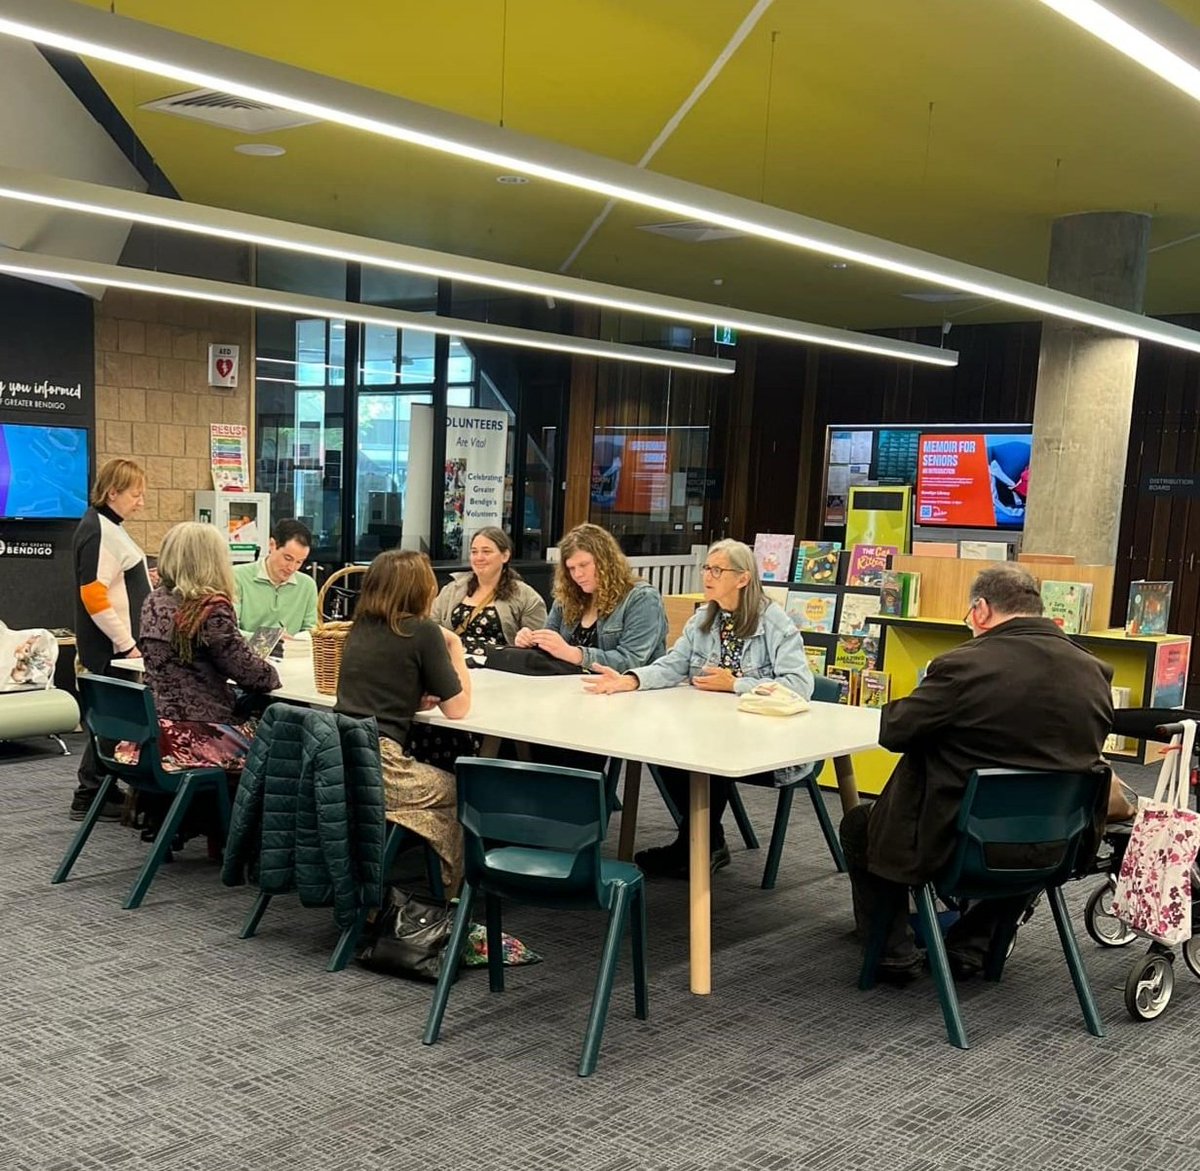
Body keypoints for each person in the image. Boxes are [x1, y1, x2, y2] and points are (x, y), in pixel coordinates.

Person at [838, 564, 1113, 984]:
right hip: (1055, 845)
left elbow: (895, 731)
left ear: (981, 609)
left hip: (959, 846)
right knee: (1026, 825)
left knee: (860, 824)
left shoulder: (963, 665)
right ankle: (972, 943)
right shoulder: (1094, 671)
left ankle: (893, 954)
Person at [586, 538, 813, 877]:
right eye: (706, 568)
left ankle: (699, 844)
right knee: (661, 747)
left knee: (704, 754)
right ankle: (702, 841)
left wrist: (735, 684)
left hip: (767, 745)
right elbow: (673, 665)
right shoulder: (703, 620)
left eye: (717, 570)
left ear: (743, 578)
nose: (707, 576)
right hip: (710, 730)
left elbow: (798, 685)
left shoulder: (774, 622)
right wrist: (631, 679)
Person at [334, 550, 471, 889]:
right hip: (383, 769)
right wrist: (455, 647)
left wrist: (412, 694)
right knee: (465, 790)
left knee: (436, 802)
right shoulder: (423, 631)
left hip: (339, 763)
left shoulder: (359, 628)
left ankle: (432, 883)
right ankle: (451, 891)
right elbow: (458, 708)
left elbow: (380, 685)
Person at [133, 522, 280, 775]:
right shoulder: (209, 610)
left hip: (153, 729)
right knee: (287, 730)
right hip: (200, 734)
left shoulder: (154, 601)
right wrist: (272, 673)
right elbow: (254, 676)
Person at [70, 457, 154, 821]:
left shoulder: (105, 526)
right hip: (111, 650)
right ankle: (90, 793)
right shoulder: (99, 530)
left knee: (112, 720)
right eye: (135, 495)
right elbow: (93, 595)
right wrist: (126, 644)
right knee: (113, 721)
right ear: (113, 493)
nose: (141, 502)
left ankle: (96, 790)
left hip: (113, 648)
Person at [514, 523, 667, 672]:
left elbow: (631, 660)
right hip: (569, 683)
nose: (578, 574)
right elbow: (550, 646)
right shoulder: (567, 598)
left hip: (623, 687)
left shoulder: (642, 598)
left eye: (584, 565)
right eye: (571, 568)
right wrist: (532, 641)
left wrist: (575, 654)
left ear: (606, 562)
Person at [430, 527, 547, 656]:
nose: (479, 557)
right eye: (474, 552)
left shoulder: (527, 597)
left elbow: (538, 647)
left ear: (505, 556)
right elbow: (430, 627)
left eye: (486, 552)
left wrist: (526, 639)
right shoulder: (452, 590)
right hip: (454, 662)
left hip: (501, 665)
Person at [232, 518, 318, 636]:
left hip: (292, 648)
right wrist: (272, 638)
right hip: (245, 648)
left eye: (299, 562)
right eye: (287, 558)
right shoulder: (236, 577)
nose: (292, 568)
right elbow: (229, 631)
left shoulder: (307, 586)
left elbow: (311, 632)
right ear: (272, 545)